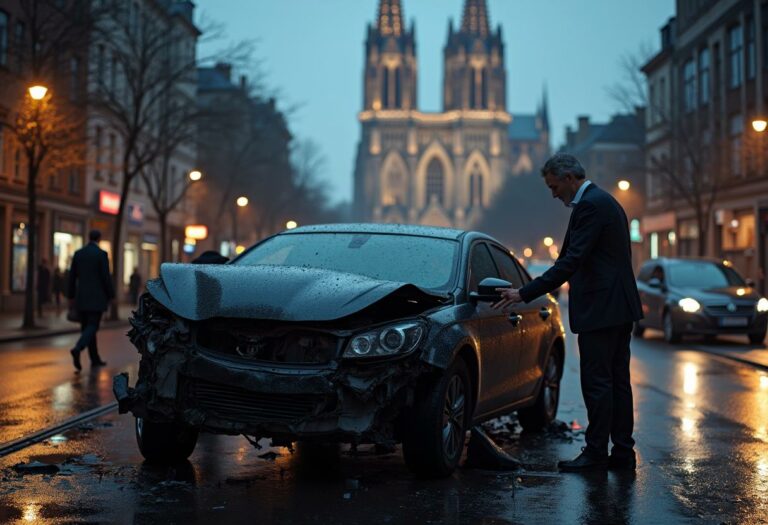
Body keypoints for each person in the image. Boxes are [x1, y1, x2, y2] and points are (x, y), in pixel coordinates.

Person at [493, 153, 643, 472]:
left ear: (569, 178)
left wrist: (524, 292)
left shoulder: (590, 206)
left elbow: (571, 261)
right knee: (618, 382)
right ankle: (622, 452)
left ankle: (596, 453)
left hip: (601, 309)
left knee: (598, 383)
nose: (553, 194)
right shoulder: (604, 201)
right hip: (618, 307)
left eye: (554, 186)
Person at [67, 230, 115, 371]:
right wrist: (111, 295)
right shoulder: (101, 254)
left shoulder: (78, 254)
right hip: (97, 298)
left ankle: (95, 359)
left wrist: (70, 296)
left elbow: (72, 277)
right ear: (99, 239)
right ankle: (78, 348)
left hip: (81, 298)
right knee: (93, 326)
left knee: (86, 328)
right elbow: (106, 277)